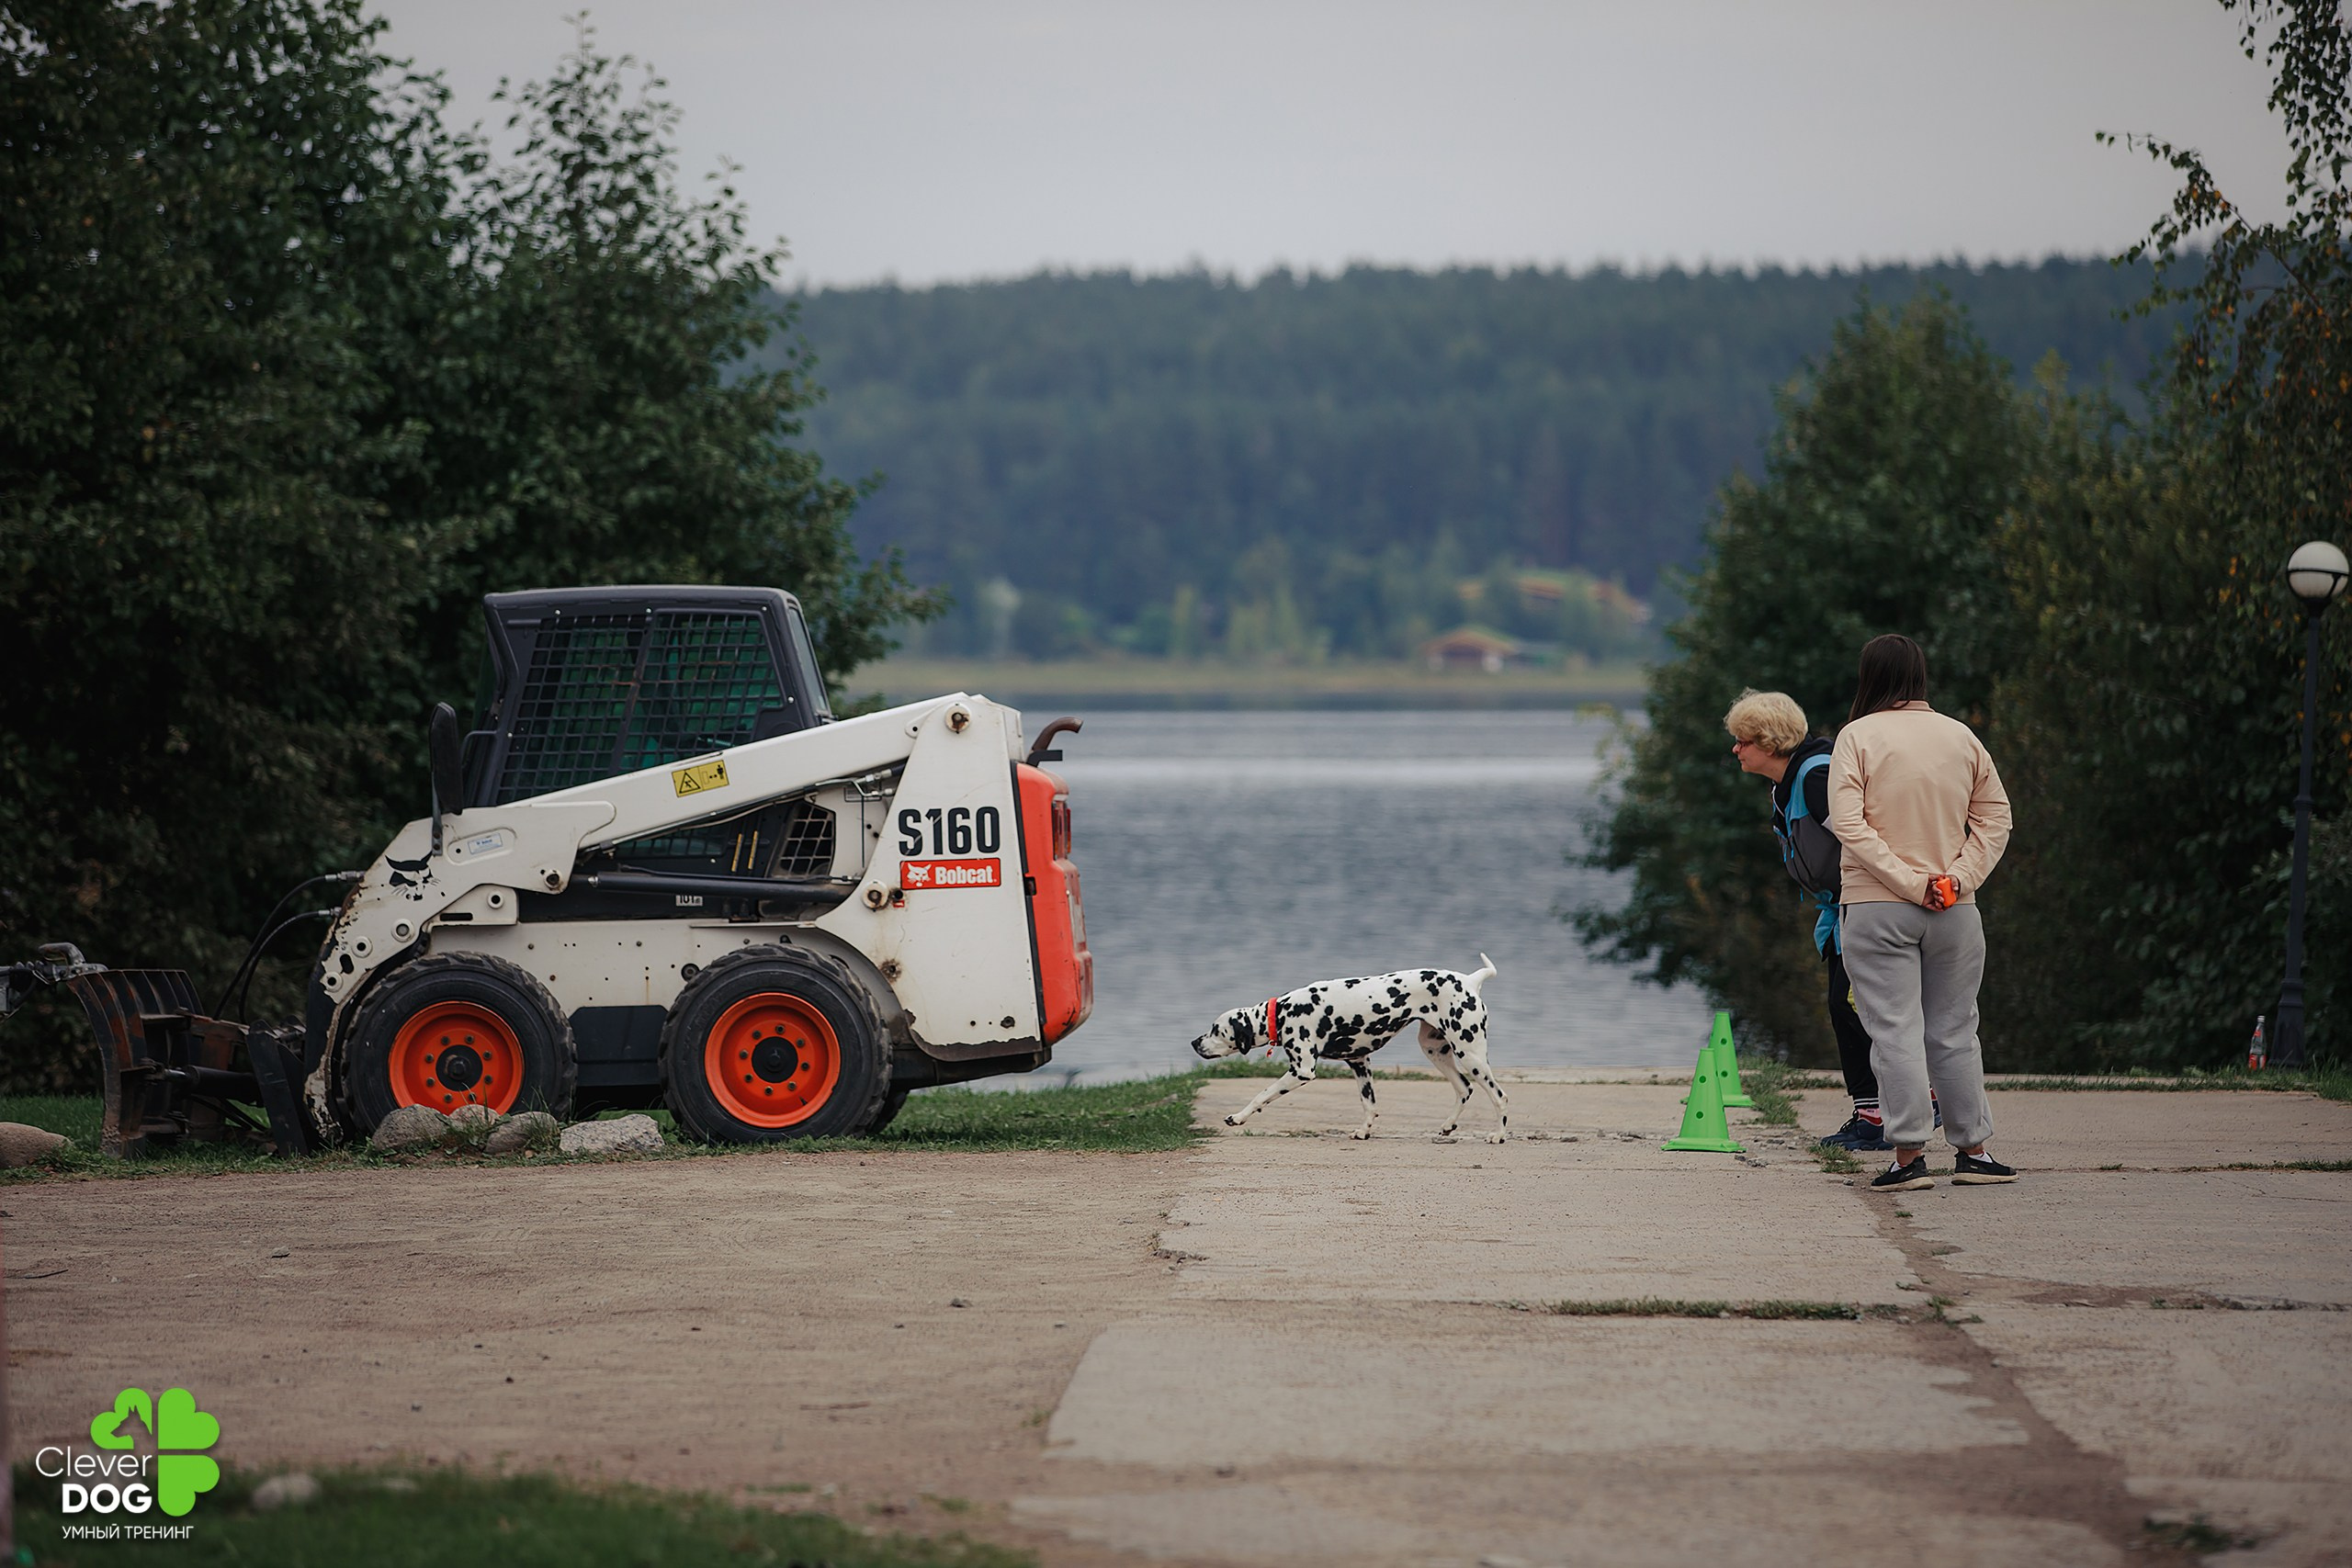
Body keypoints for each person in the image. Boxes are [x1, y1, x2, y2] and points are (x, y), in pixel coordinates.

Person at [1827, 634, 2016, 1190]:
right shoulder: (1962, 736)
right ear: (1919, 675)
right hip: (1955, 908)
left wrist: (1910, 882)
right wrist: (1956, 879)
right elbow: (1995, 817)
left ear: (1869, 677)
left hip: (1877, 905)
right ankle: (1975, 1152)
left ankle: (1908, 1158)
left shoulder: (1855, 738)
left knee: (1894, 1031)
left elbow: (1849, 824)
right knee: (1957, 1031)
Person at [1723, 689, 1887, 1151]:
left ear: (1770, 742)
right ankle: (1872, 1111)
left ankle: (1899, 1107)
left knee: (1856, 1004)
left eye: (1743, 741)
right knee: (1844, 1004)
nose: (1736, 749)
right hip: (1841, 908)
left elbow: (1865, 839)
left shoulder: (1816, 778)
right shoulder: (1787, 782)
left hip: (1865, 903)